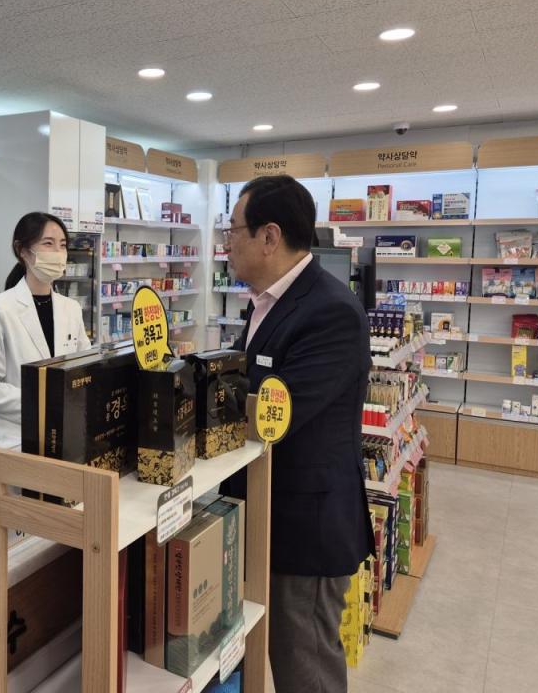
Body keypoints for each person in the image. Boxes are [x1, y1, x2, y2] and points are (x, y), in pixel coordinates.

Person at [223, 175, 375, 693]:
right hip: (270, 517)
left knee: (304, 667)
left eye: (233, 230)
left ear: (269, 236)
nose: (227, 243)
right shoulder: (266, 300)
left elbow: (277, 410)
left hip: (305, 530)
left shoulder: (330, 311)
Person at [0, 212, 92, 448]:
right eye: (48, 243)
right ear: (22, 251)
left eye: (63, 245)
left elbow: (84, 369)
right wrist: (44, 405)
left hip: (66, 432)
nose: (58, 252)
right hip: (15, 438)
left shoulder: (71, 308)